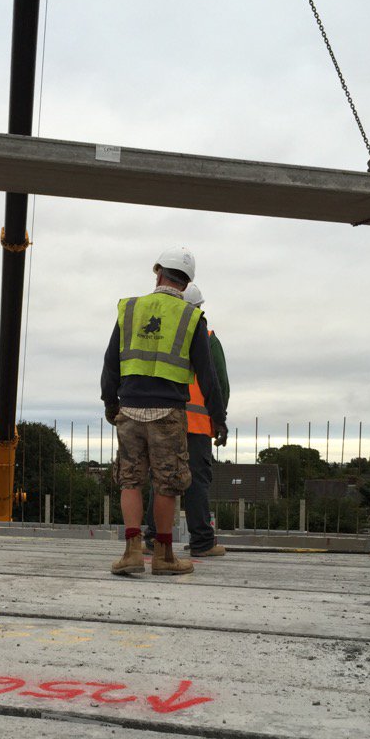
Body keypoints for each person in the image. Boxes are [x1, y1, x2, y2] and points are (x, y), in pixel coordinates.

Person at [101, 245, 228, 576]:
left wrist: (109, 402)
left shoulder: (130, 309)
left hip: (129, 409)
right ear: (185, 285)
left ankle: (131, 552)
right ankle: (163, 556)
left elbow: (110, 361)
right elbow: (208, 375)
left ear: (157, 273)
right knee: (167, 483)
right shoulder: (191, 317)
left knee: (130, 480)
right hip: (167, 414)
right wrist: (219, 418)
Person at [144, 282, 230, 556]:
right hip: (196, 424)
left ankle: (152, 539)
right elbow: (218, 384)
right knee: (195, 481)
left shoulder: (164, 336)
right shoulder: (206, 336)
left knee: (162, 478)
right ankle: (202, 541)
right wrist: (219, 418)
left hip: (163, 419)